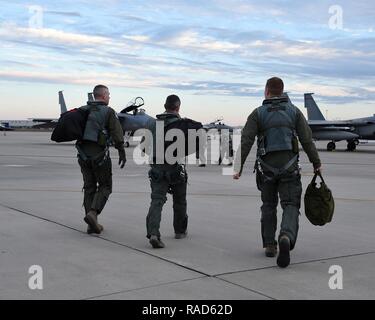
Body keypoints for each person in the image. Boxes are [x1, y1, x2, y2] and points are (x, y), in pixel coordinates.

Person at [233, 77, 321, 268]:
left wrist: (237, 167)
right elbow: (307, 140)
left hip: (266, 170)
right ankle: (286, 236)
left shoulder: (257, 113)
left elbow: (246, 141)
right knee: (290, 204)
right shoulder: (294, 112)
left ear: (267, 91)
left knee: (268, 205)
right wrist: (316, 162)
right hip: (289, 168)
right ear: (282, 91)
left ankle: (270, 245)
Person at [145, 94, 202, 248]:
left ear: (165, 106)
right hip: (176, 167)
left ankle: (154, 233)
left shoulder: (152, 123)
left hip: (157, 168)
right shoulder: (181, 124)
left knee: (157, 200)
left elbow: (144, 147)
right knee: (179, 201)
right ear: (178, 107)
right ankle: (180, 231)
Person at [76, 85, 126, 234]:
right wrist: (121, 151)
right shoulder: (108, 112)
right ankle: (93, 213)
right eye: (108, 94)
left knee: (89, 187)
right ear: (103, 95)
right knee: (105, 186)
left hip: (82, 155)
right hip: (99, 156)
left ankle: (91, 224)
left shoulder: (82, 110)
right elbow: (117, 133)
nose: (109, 97)